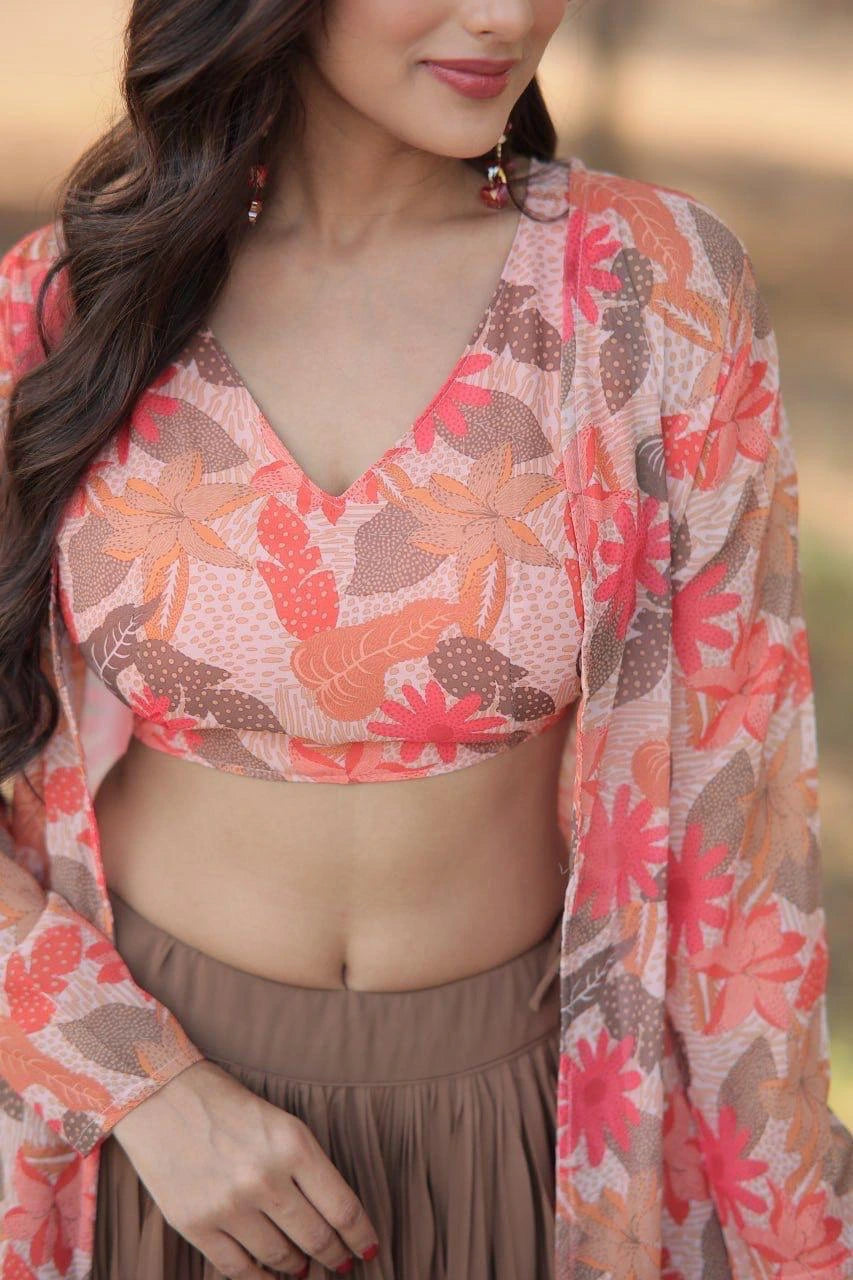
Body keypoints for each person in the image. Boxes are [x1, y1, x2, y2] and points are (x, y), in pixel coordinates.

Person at [1, 2, 851, 1278]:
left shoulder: (654, 291)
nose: (506, 15)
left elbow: (742, 829)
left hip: (535, 1144)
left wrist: (797, 1236)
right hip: (158, 1153)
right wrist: (136, 1082)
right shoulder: (69, 309)